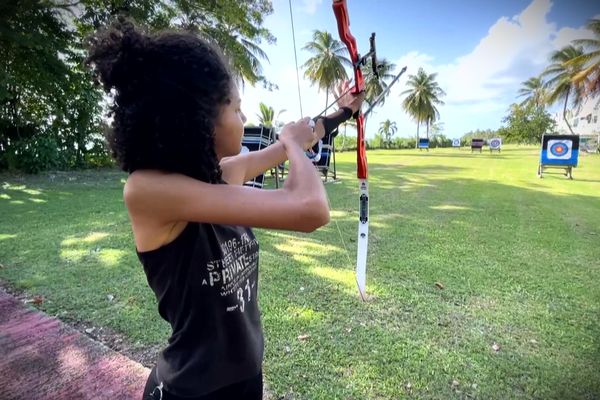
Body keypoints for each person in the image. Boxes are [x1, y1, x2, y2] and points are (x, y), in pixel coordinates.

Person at [86, 18, 364, 400]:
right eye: (236, 108)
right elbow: (311, 208)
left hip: (242, 380)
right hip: (191, 390)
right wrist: (294, 145)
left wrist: (343, 112)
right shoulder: (147, 190)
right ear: (199, 119)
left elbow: (288, 143)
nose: (245, 119)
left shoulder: (217, 174)